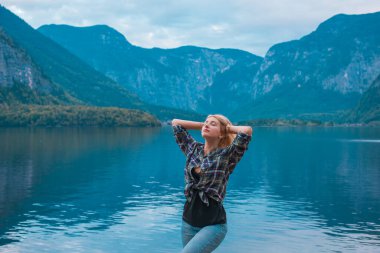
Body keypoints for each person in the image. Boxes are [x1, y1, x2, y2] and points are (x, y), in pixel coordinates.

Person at [172, 114, 253, 253]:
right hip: (188, 222)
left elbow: (246, 131)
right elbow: (176, 123)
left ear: (221, 134)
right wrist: (203, 125)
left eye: (213, 124)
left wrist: (226, 128)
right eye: (206, 123)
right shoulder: (193, 149)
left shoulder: (227, 155)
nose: (207, 125)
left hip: (213, 225)